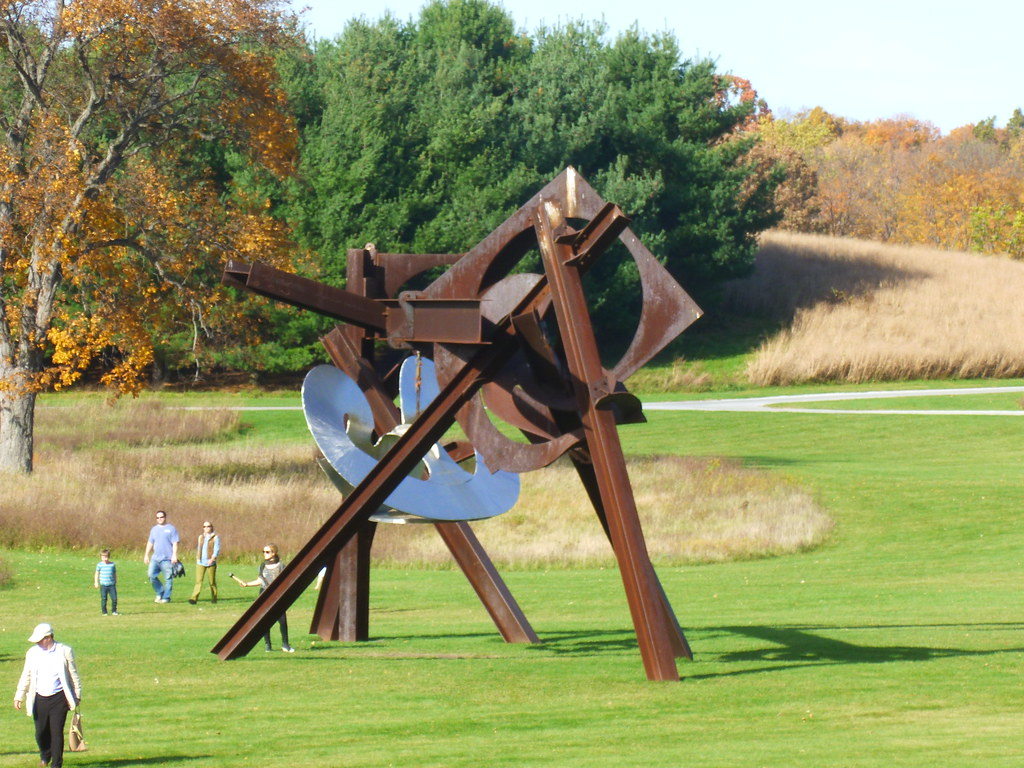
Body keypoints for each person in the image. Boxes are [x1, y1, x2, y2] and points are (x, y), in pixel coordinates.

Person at [13, 623, 83, 768]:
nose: (38, 643)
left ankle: (56, 764)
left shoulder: (65, 651)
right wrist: (19, 695)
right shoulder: (32, 653)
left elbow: (73, 675)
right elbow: (26, 675)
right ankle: (45, 755)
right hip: (39, 698)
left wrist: (77, 695)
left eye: (40, 640)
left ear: (49, 637)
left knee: (57, 732)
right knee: (41, 732)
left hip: (59, 698)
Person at [231, 543, 294, 652]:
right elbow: (260, 580)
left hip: (277, 595)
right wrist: (247, 584)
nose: (264, 554)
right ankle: (268, 645)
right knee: (265, 620)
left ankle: (285, 645)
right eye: (263, 552)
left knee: (282, 620)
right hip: (264, 594)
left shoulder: (281, 566)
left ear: (274, 553)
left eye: (267, 552)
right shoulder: (262, 566)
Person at [143, 509, 179, 603]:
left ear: (165, 517)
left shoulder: (171, 528)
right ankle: (160, 592)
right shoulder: (154, 529)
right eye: (158, 517)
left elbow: (175, 543)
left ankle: (166, 597)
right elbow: (150, 542)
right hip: (155, 558)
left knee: (168, 579)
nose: (160, 519)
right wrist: (146, 554)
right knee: (151, 575)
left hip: (167, 558)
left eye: (161, 517)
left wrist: (174, 555)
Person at [189, 520, 220, 605]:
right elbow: (199, 548)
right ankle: (194, 598)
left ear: (211, 527)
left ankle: (214, 598)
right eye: (204, 526)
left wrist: (212, 559)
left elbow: (216, 549)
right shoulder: (201, 537)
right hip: (201, 562)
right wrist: (197, 558)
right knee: (198, 581)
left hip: (211, 563)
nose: (206, 528)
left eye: (208, 526)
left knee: (212, 582)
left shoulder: (215, 537)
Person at [93, 548, 118, 615]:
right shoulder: (99, 565)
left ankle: (114, 611)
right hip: (103, 585)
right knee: (104, 599)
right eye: (103, 556)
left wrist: (115, 581)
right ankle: (104, 612)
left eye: (106, 556)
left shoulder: (112, 564)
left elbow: (114, 573)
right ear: (101, 557)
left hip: (111, 585)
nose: (105, 558)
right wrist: (96, 582)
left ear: (108, 556)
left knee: (114, 599)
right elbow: (97, 574)